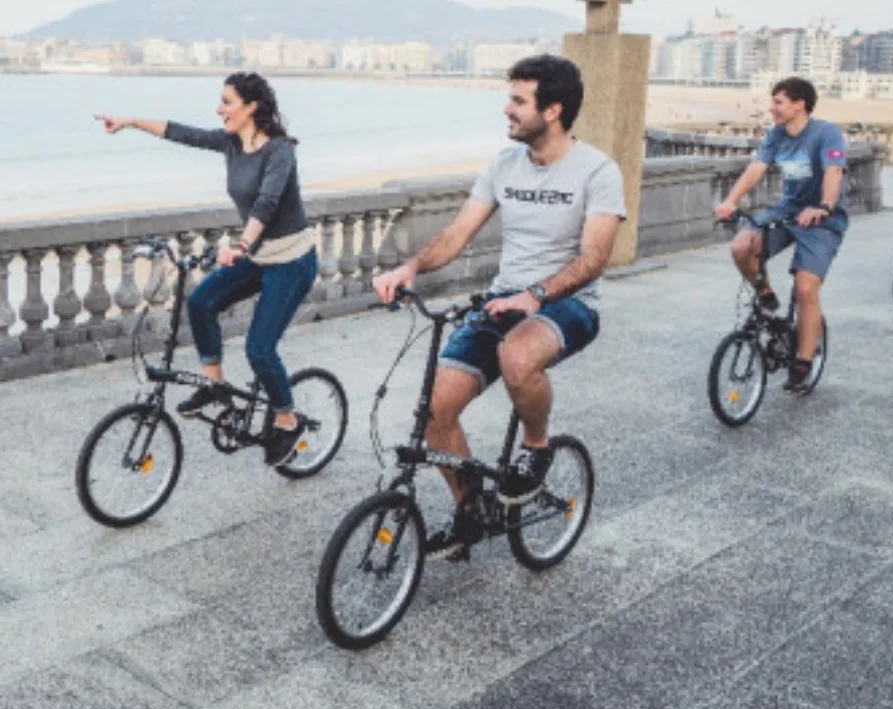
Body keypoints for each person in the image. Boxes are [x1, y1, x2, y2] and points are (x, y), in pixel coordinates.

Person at [374, 54, 625, 560]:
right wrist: (411, 268)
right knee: (435, 411)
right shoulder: (504, 165)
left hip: (569, 304)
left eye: (518, 100)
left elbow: (594, 258)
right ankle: (470, 512)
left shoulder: (598, 170)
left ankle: (536, 448)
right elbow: (458, 233)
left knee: (517, 355)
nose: (506, 109)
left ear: (552, 110)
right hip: (503, 301)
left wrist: (535, 296)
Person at [95, 72, 318, 466]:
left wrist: (242, 245)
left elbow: (266, 204)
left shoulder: (280, 151)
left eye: (227, 102)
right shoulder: (230, 143)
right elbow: (182, 133)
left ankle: (288, 420)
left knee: (259, 349)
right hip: (257, 257)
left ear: (251, 106)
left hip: (291, 262)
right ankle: (216, 388)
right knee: (200, 302)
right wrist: (131, 121)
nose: (219, 109)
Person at [712, 77, 847, 395]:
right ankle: (766, 295)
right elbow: (756, 169)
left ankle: (803, 362)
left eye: (778, 102)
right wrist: (731, 202)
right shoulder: (776, 135)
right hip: (787, 210)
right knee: (742, 246)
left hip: (822, 218)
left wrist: (824, 206)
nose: (772, 108)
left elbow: (833, 172)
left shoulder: (826, 133)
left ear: (800, 104)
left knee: (805, 288)